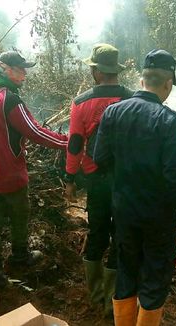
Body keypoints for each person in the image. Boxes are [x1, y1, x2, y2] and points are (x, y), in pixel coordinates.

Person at [93, 49, 176, 326]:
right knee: (154, 279)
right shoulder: (170, 121)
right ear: (167, 84)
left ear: (142, 81)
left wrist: (122, 184)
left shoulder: (112, 112)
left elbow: (99, 159)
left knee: (126, 274)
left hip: (124, 211)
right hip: (158, 217)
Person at [0, 50, 68, 291]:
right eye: (20, 69)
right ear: (5, 68)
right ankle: (19, 257)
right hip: (9, 175)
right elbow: (36, 133)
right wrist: (67, 142)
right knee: (19, 216)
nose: (24, 74)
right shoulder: (10, 99)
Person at [64, 43, 133, 316]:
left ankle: (95, 294)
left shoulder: (81, 103)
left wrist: (69, 179)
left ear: (95, 71)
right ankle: (112, 298)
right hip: (126, 181)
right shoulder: (131, 99)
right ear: (115, 70)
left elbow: (74, 145)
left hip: (96, 180)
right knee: (121, 235)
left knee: (97, 233)